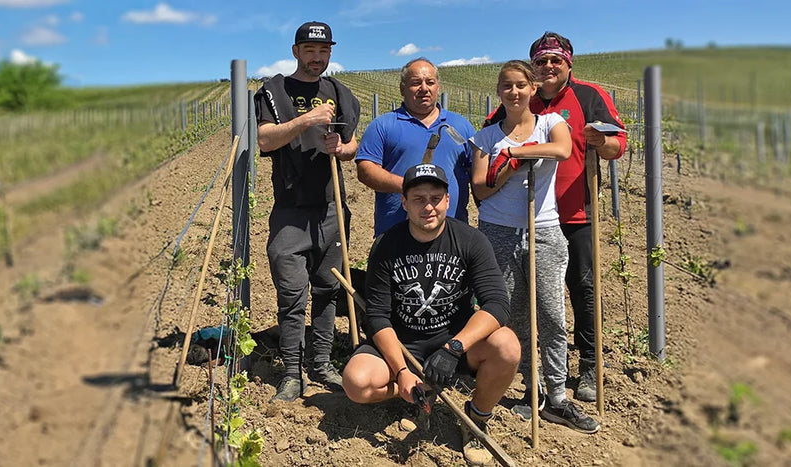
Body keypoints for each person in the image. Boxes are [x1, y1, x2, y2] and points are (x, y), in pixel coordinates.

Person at [343, 163, 519, 466]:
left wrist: (454, 347)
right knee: (356, 383)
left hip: (455, 340)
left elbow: (497, 304)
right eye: (419, 199)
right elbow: (378, 318)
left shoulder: (470, 241)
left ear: (448, 201)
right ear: (404, 203)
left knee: (507, 347)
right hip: (403, 344)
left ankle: (475, 419)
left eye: (436, 198)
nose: (428, 207)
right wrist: (401, 371)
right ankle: (417, 395)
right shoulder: (386, 246)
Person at [485, 31, 627, 403]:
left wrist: (601, 142)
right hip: (527, 216)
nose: (549, 67)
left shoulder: (589, 96)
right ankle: (535, 372)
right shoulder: (516, 102)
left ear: (568, 63)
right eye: (541, 61)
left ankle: (589, 365)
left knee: (582, 289)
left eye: (555, 60)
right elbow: (493, 139)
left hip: (576, 211)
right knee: (532, 299)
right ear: (533, 69)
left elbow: (617, 146)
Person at [470, 60, 598, 434]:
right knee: (513, 317)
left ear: (532, 88)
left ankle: (558, 395)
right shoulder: (485, 138)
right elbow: (481, 187)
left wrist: (518, 152)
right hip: (499, 231)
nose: (514, 92)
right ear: (499, 91)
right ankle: (532, 390)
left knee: (552, 315)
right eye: (507, 86)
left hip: (543, 229)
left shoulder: (550, 122)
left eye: (521, 85)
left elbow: (561, 149)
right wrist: (508, 164)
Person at [254, 21, 362, 402]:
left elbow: (352, 147)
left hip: (332, 207)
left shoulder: (340, 93)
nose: (318, 58)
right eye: (311, 50)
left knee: (329, 288)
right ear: (296, 51)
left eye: (324, 51)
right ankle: (292, 371)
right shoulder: (274, 91)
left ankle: (320, 364)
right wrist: (306, 121)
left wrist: (341, 148)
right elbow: (265, 141)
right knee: (291, 293)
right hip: (291, 209)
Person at [356, 58, 477, 237]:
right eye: (415, 83)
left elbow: (477, 174)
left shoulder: (461, 126)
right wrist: (409, 186)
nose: (424, 88)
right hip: (395, 233)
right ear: (402, 88)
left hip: (452, 234)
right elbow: (366, 171)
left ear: (438, 87)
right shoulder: (383, 125)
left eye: (430, 82)